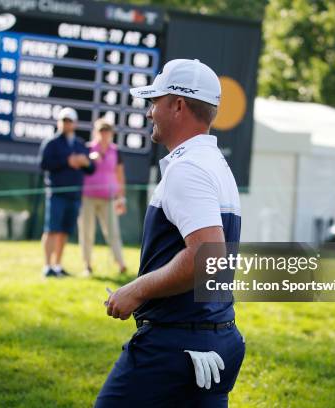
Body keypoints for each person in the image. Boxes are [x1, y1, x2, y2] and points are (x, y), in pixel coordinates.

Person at [96, 59, 245, 407]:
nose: (150, 112)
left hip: (173, 348)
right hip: (215, 339)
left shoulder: (188, 169)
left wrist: (136, 290)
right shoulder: (217, 166)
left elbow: (206, 259)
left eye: (155, 101)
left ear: (178, 105)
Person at [38, 107, 94, 277]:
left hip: (74, 195)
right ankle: (47, 266)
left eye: (69, 121)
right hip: (56, 193)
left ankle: (57, 265)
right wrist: (67, 161)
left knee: (64, 231)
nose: (66, 124)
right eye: (63, 120)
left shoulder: (79, 144)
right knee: (52, 229)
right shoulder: (51, 142)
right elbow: (44, 164)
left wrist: (85, 162)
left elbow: (91, 169)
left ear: (75, 123)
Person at [78, 118, 127, 276]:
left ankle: (120, 263)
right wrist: (90, 158)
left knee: (113, 232)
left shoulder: (115, 151)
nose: (104, 134)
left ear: (111, 133)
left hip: (109, 197)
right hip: (88, 197)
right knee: (87, 231)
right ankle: (87, 265)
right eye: (101, 130)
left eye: (107, 130)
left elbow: (120, 175)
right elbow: (80, 166)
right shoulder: (87, 149)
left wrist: (121, 198)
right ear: (95, 132)